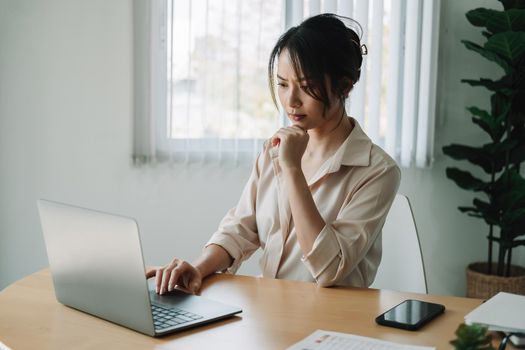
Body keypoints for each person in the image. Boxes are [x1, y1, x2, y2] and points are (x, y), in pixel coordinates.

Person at [146, 13, 400, 295]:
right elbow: (240, 229)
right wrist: (199, 267)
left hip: (332, 326)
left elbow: (329, 269)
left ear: (344, 85)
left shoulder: (377, 171)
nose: (290, 101)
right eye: (282, 84)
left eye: (306, 87)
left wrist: (292, 170)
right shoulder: (275, 149)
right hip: (270, 315)